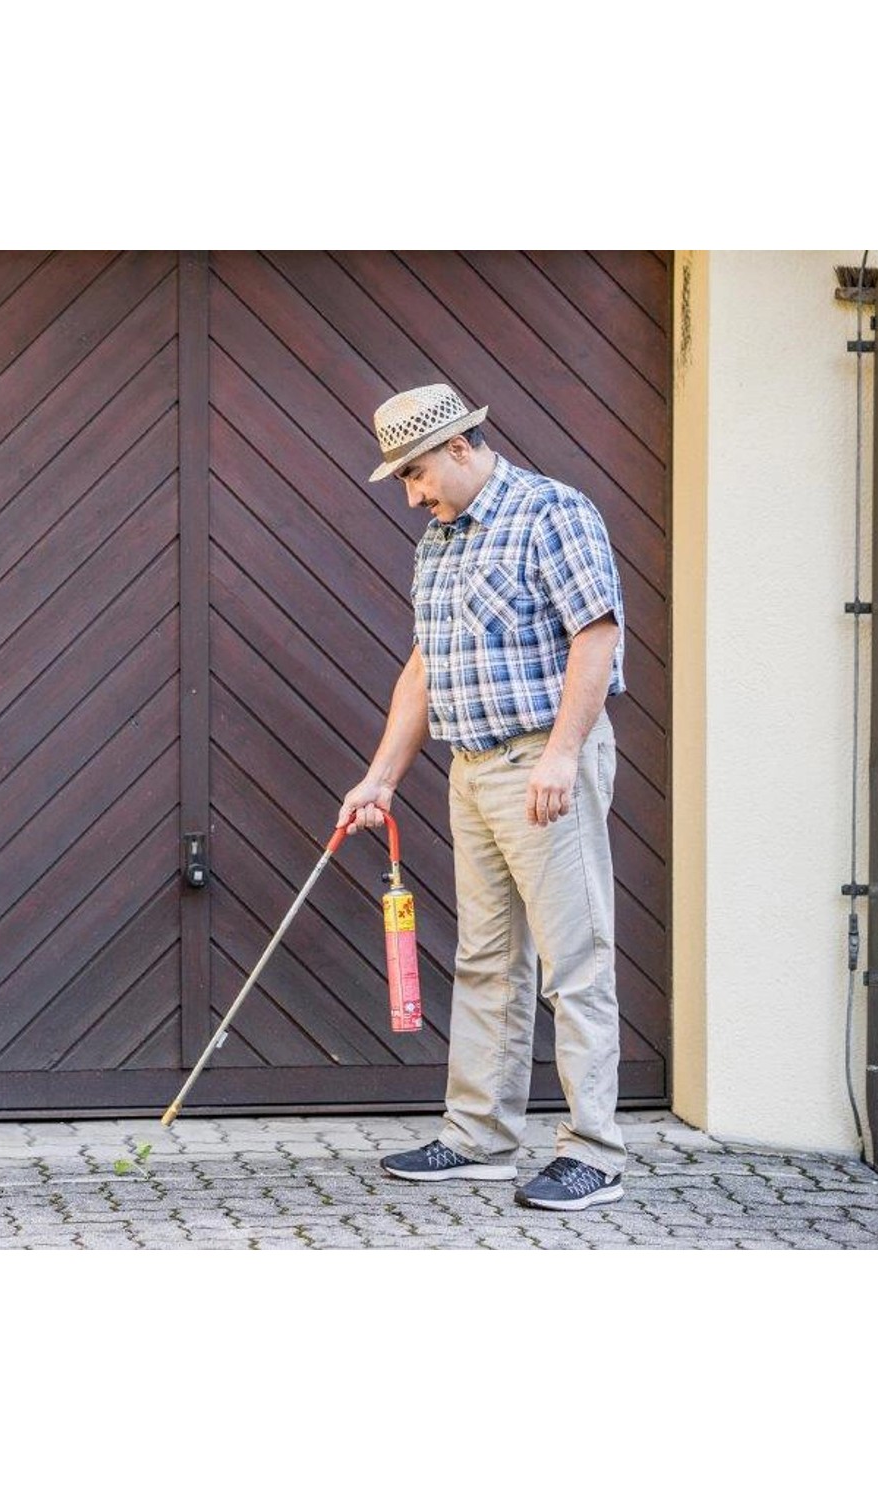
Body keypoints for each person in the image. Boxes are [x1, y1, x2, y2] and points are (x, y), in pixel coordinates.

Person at [337, 382, 627, 1210]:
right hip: (472, 770)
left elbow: (596, 635)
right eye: (402, 479)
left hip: (543, 763)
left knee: (575, 964)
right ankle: (480, 1139)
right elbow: (424, 668)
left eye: (418, 473)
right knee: (487, 960)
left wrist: (563, 756)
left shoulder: (552, 513)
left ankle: (596, 1154)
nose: (412, 493)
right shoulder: (438, 542)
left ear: (462, 446)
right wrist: (380, 779)